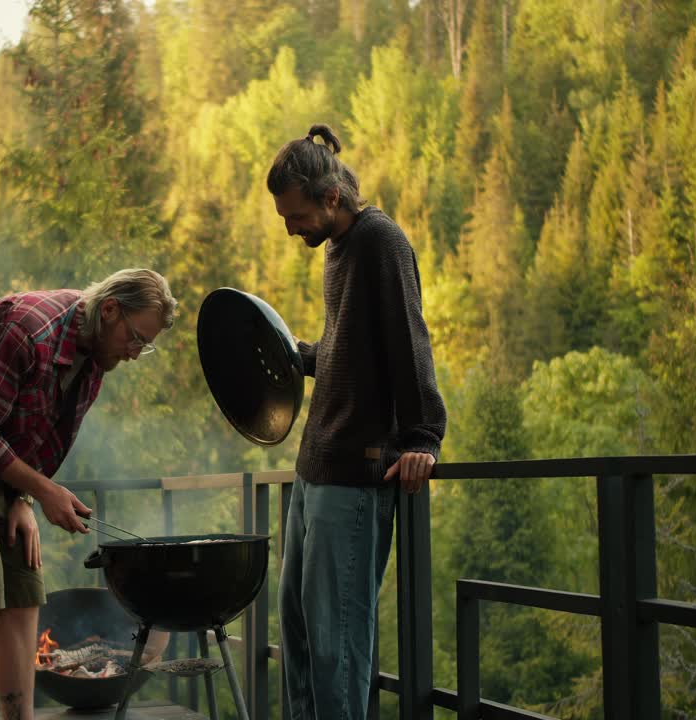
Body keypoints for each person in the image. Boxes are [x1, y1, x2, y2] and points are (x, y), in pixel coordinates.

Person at [0, 269, 178, 720]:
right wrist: (43, 491)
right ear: (109, 310)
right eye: (136, 338)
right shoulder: (25, 331)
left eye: (146, 345)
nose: (136, 353)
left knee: (24, 594)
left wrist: (21, 500)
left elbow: (40, 441)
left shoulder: (93, 362)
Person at [266, 125, 446, 719]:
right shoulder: (338, 248)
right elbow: (349, 349)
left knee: (335, 648)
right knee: (298, 633)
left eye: (296, 217)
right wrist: (299, 355)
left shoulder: (380, 241)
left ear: (331, 197)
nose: (290, 229)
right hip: (316, 467)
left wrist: (423, 438)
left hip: (355, 475)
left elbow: (409, 343)